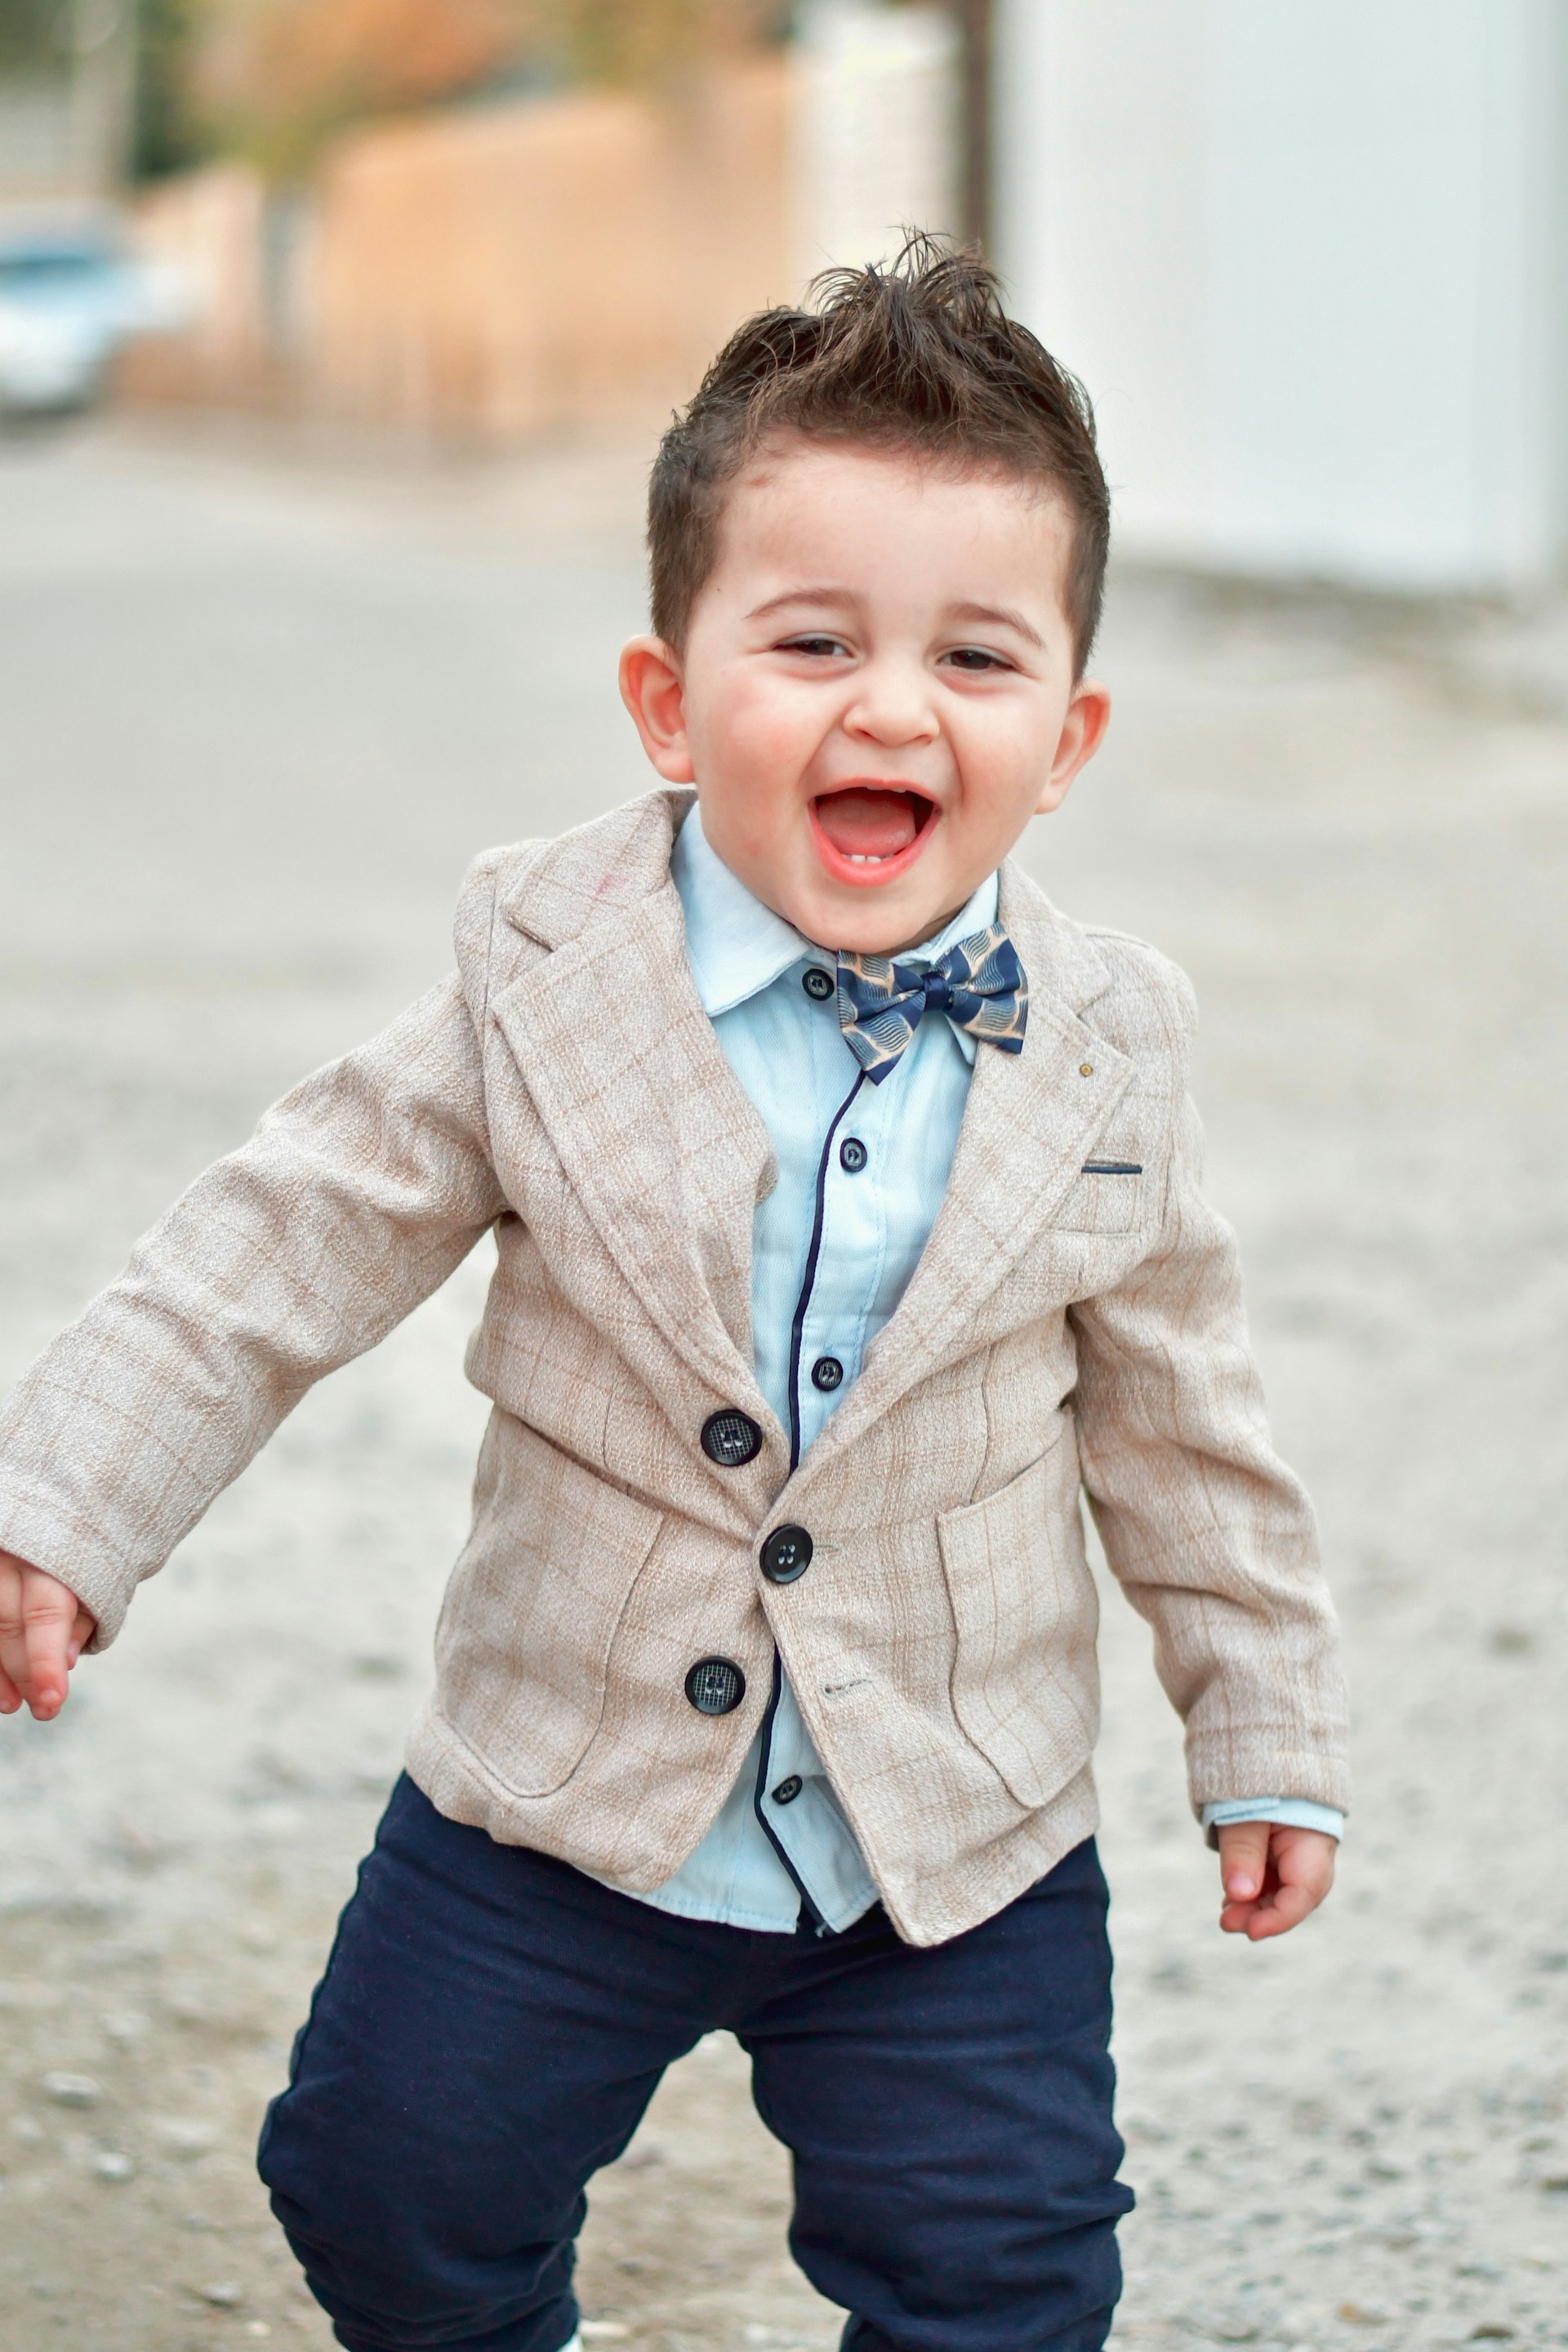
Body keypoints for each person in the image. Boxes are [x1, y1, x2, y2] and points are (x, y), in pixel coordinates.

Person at [0, 240, 1348, 2352]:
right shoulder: (541, 975)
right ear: (667, 695)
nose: (893, 707)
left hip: (955, 1838)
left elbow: (1189, 1422)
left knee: (1003, 2280)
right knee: (379, 2184)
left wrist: (1258, 1728)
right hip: (565, 1792)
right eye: (812, 641)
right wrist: (62, 1507)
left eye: (975, 662)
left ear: (1068, 735)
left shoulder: (1113, 1044)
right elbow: (277, 1243)